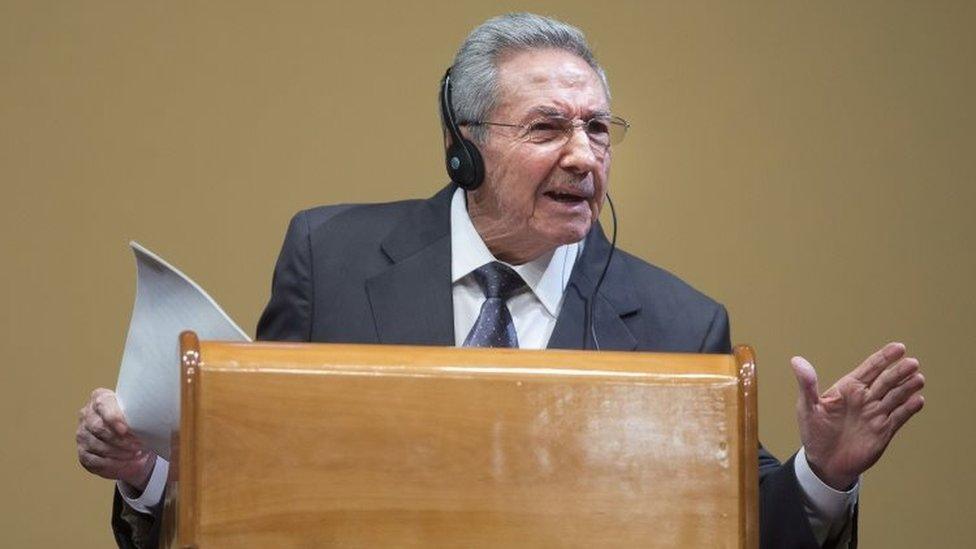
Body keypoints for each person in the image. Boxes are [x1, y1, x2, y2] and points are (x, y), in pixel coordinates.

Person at [76, 13, 925, 549]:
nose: (584, 156)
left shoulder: (677, 320)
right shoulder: (328, 255)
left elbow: (740, 523)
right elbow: (249, 480)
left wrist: (824, 472)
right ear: (466, 145)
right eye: (549, 126)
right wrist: (146, 469)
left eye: (598, 128)